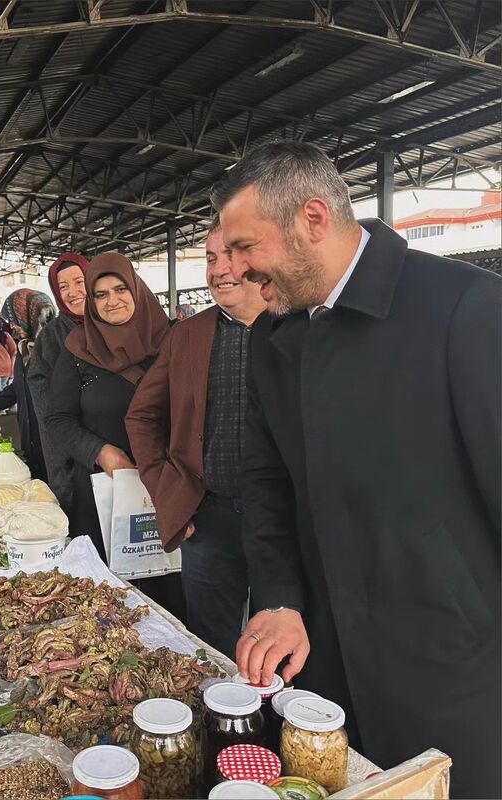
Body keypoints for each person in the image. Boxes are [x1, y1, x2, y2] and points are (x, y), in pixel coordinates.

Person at [209, 140, 500, 799]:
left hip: (454, 673)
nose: (238, 271)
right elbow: (265, 482)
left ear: (313, 219)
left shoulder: (464, 310)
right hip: (325, 665)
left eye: (247, 247)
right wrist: (279, 598)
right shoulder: (272, 338)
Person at [126, 221, 266, 656]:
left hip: (285, 521)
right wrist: (168, 492)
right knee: (210, 645)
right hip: (209, 519)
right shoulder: (187, 335)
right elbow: (142, 415)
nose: (220, 269)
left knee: (281, 643)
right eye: (210, 258)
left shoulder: (296, 326)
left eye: (231, 255)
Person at [45, 252, 185, 620]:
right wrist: (100, 451)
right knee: (110, 606)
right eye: (101, 294)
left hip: (169, 491)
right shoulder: (78, 348)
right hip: (102, 498)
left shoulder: (175, 340)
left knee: (172, 598)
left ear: (137, 290)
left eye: (120, 289)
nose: (112, 301)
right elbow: (57, 419)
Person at [28, 253, 89, 510]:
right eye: (63, 287)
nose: (73, 292)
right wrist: (63, 470)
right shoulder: (52, 338)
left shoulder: (113, 326)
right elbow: (47, 410)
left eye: (79, 282)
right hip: (76, 457)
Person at [0, 290, 57, 482]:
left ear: (33, 316)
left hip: (53, 440)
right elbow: (17, 388)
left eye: (15, 319)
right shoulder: (25, 348)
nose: (11, 325)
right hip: (30, 435)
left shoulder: (56, 348)